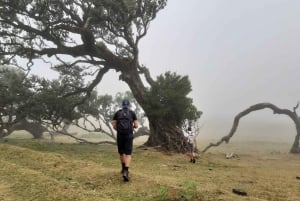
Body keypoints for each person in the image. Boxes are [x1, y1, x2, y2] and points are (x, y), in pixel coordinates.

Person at [112, 99, 139, 182]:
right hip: (129, 135)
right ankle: (126, 171)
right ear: (129, 105)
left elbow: (114, 126)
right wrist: (132, 127)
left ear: (122, 105)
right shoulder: (132, 113)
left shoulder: (117, 113)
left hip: (120, 135)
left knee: (121, 152)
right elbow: (136, 125)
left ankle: (123, 168)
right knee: (128, 154)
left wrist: (120, 130)